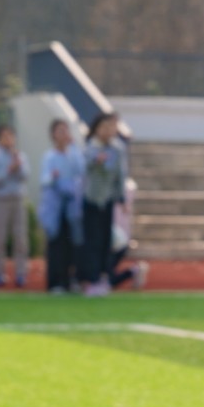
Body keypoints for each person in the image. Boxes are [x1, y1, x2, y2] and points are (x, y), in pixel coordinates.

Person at [79, 112, 127, 298]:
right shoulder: (91, 147)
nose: (107, 131)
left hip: (107, 201)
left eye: (110, 127)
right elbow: (84, 167)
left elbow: (120, 175)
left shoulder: (117, 149)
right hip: (91, 200)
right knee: (92, 241)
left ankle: (102, 277)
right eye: (103, 127)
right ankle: (90, 279)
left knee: (106, 241)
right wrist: (95, 161)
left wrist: (121, 198)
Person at [39, 118, 84, 294]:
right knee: (56, 245)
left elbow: (81, 171)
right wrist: (54, 177)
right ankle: (55, 282)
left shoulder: (73, 155)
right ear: (53, 135)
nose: (64, 134)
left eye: (66, 130)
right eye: (60, 131)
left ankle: (70, 280)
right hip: (55, 209)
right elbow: (44, 180)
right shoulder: (49, 156)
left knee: (72, 245)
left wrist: (74, 148)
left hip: (71, 208)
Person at [0, 123, 30, 288]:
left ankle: (21, 274)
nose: (8, 139)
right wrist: (8, 170)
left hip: (18, 200)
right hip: (1, 200)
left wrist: (18, 165)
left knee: (21, 238)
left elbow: (25, 176)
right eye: (4, 136)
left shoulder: (20, 156)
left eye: (11, 136)